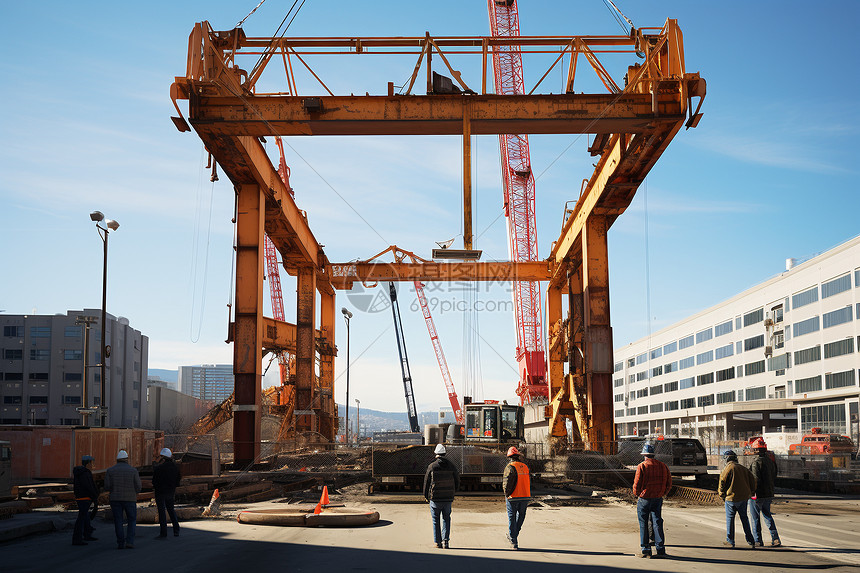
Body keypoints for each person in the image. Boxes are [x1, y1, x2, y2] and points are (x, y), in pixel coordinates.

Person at [632, 443, 672, 559]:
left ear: (644, 455)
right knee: (657, 522)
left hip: (644, 499)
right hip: (657, 498)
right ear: (653, 455)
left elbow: (637, 483)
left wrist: (637, 494)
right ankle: (660, 549)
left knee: (643, 523)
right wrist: (663, 493)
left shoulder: (642, 466)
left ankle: (645, 549)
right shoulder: (663, 466)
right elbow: (669, 483)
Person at [423, 443, 460, 549]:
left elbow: (426, 483)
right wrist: (453, 492)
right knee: (446, 519)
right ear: (444, 453)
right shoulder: (452, 466)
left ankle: (437, 542)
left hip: (435, 498)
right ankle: (446, 542)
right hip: (448, 498)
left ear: (436, 454)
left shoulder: (432, 466)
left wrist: (426, 496)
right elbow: (457, 480)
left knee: (435, 520)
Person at [718, 449, 756, 549]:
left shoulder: (728, 468)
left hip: (731, 499)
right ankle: (751, 541)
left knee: (730, 519)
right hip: (744, 498)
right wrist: (751, 492)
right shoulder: (744, 469)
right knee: (744, 519)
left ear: (727, 459)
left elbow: (722, 481)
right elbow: (753, 481)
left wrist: (721, 494)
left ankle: (730, 541)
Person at [104, 449, 141, 549]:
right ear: (127, 459)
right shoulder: (133, 470)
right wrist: (134, 493)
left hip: (115, 499)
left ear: (117, 460)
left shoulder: (110, 470)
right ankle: (130, 541)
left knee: (118, 520)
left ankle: (120, 542)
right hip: (130, 499)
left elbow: (107, 486)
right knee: (132, 520)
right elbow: (138, 486)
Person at [748, 438, 781, 547]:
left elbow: (755, 479)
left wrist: (752, 492)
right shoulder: (771, 462)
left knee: (755, 518)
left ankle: (758, 540)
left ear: (756, 450)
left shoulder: (755, 463)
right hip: (769, 493)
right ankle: (775, 538)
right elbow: (774, 475)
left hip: (757, 495)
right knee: (767, 516)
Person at [502, 446, 530, 550]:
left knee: (512, 517)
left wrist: (507, 494)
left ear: (509, 457)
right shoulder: (525, 466)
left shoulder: (510, 467)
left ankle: (513, 539)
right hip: (525, 495)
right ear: (517, 456)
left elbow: (506, 483)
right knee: (521, 516)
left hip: (513, 496)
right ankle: (514, 534)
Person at [153, 447, 182, 539]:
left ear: (163, 457)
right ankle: (176, 530)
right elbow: (178, 480)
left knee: (162, 513)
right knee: (171, 510)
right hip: (170, 492)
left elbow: (154, 482)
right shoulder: (175, 468)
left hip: (160, 492)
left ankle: (163, 533)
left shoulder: (159, 468)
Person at [72, 455, 99, 546]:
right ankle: (77, 539)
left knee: (86, 517)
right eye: (91, 463)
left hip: (81, 497)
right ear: (88, 463)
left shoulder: (80, 472)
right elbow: (89, 486)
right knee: (81, 518)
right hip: (85, 498)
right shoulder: (85, 473)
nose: (92, 465)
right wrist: (95, 495)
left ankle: (87, 534)